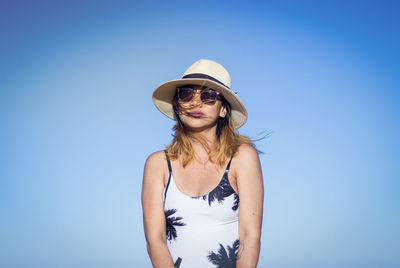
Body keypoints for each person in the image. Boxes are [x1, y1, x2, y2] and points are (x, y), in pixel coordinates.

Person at [142, 59, 264, 268]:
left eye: (208, 96)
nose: (195, 103)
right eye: (186, 94)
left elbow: (249, 237)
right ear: (177, 104)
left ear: (223, 109)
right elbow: (155, 241)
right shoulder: (158, 164)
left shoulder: (242, 158)